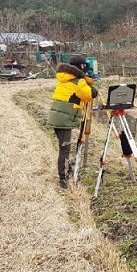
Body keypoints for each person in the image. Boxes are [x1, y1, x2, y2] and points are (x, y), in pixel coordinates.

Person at [47, 55, 98, 188]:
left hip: (58, 117)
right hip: (64, 119)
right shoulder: (78, 81)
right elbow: (90, 94)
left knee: (63, 147)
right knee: (65, 149)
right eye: (84, 66)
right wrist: (88, 79)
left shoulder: (65, 77)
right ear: (81, 67)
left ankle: (67, 172)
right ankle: (63, 179)